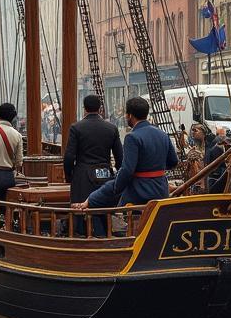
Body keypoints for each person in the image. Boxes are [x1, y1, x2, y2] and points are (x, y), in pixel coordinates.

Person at [74, 97, 178, 235]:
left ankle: (101, 238)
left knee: (101, 201)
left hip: (140, 193)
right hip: (161, 190)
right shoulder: (162, 134)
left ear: (130, 115)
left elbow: (127, 171)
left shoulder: (132, 137)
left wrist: (115, 188)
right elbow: (173, 162)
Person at [64, 94, 124, 205]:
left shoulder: (76, 128)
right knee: (104, 210)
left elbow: (69, 156)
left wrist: (69, 176)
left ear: (85, 108)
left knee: (80, 212)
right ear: (100, 108)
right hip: (105, 174)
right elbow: (120, 157)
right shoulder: (111, 128)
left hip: (83, 176)